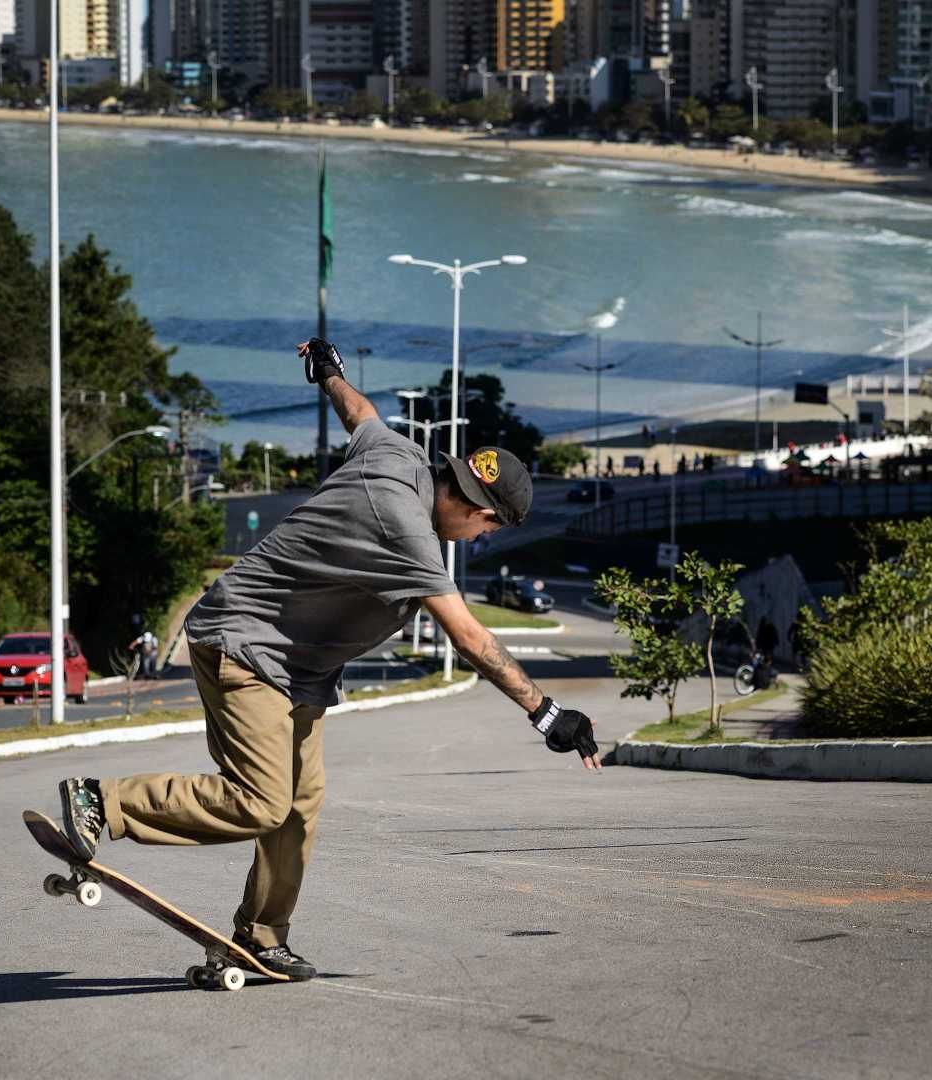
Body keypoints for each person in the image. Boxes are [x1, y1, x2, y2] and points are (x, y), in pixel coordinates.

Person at [53, 338, 600, 982]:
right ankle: (101, 801)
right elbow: (471, 639)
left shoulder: (396, 453)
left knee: (299, 805)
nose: (477, 538)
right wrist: (546, 712)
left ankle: (262, 935)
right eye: (486, 530)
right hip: (245, 644)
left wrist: (328, 372)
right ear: (482, 511)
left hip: (298, 671)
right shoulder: (409, 533)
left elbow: (358, 411)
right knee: (260, 802)